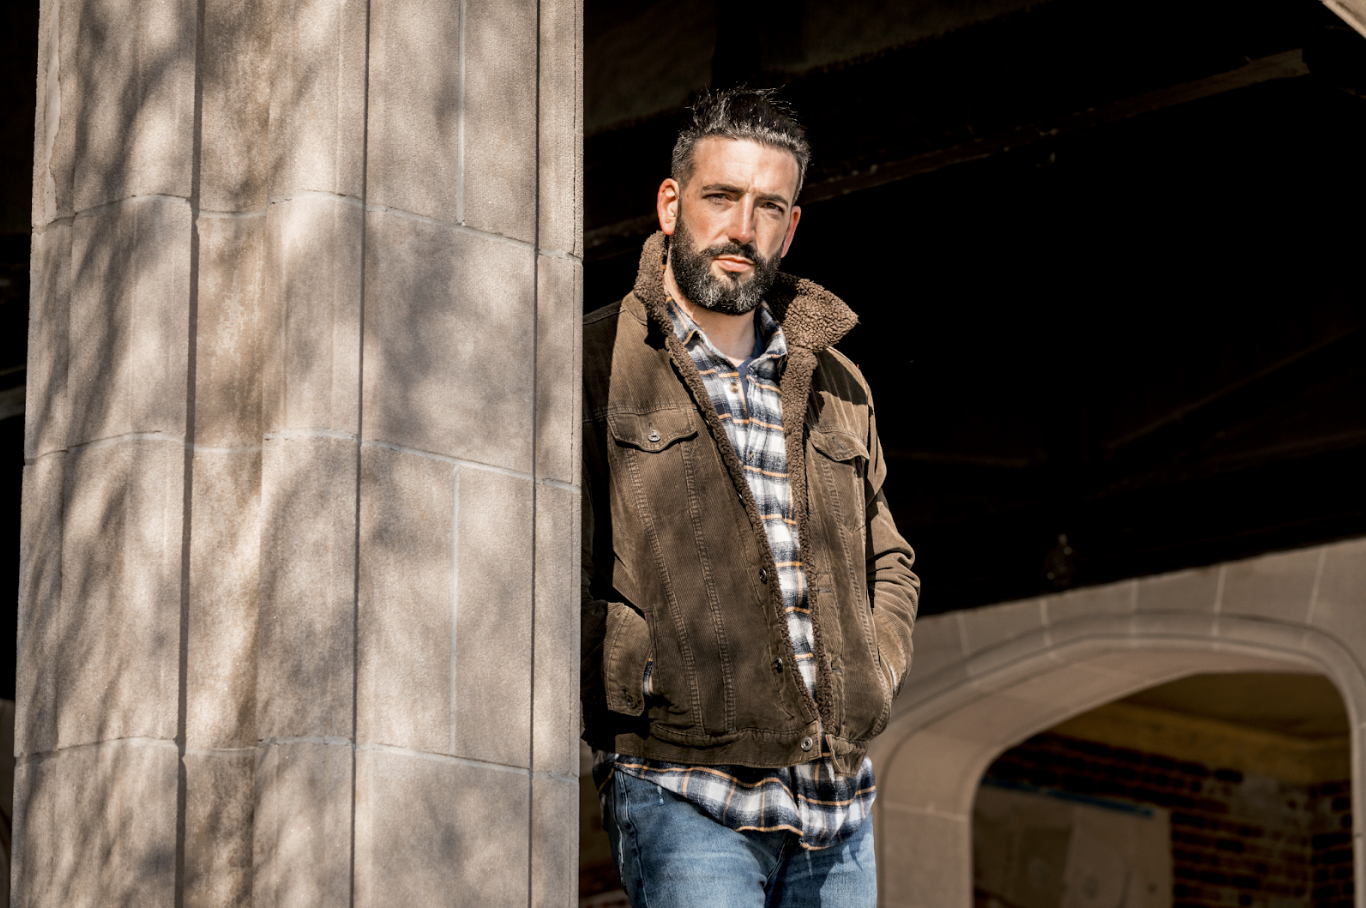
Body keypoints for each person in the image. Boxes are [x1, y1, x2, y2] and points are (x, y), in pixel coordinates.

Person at [581, 87, 919, 908]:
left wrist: (875, 668)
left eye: (769, 207)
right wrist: (633, 671)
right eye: (722, 197)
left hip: (836, 805)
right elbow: (540, 557)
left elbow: (890, 559)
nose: (743, 227)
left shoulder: (838, 381)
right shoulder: (594, 360)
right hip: (683, 787)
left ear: (790, 227)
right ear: (671, 205)